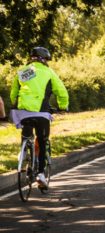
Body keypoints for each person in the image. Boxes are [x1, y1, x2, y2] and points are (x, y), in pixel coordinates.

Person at [10, 47, 69, 188]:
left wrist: (15, 104)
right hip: (41, 113)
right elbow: (61, 91)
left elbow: (14, 93)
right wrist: (63, 106)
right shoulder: (48, 72)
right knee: (42, 141)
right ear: (43, 59)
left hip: (22, 113)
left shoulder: (24, 71)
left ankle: (23, 151)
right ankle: (41, 174)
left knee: (27, 132)